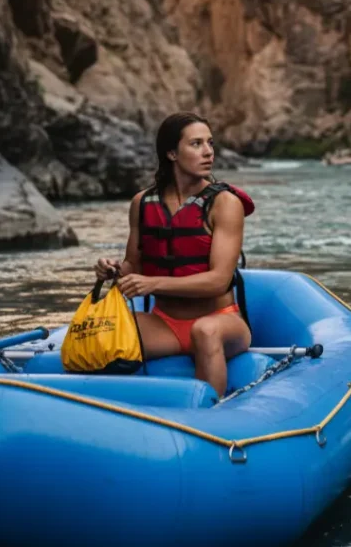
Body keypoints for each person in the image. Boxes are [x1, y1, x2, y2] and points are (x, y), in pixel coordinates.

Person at [93, 112, 256, 396]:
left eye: (210, 143)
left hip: (221, 320)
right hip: (164, 324)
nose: (208, 152)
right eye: (196, 144)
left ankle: (211, 416)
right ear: (171, 153)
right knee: (101, 332)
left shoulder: (225, 203)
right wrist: (113, 270)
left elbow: (218, 280)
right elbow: (135, 266)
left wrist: (154, 284)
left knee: (205, 332)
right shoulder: (142, 203)